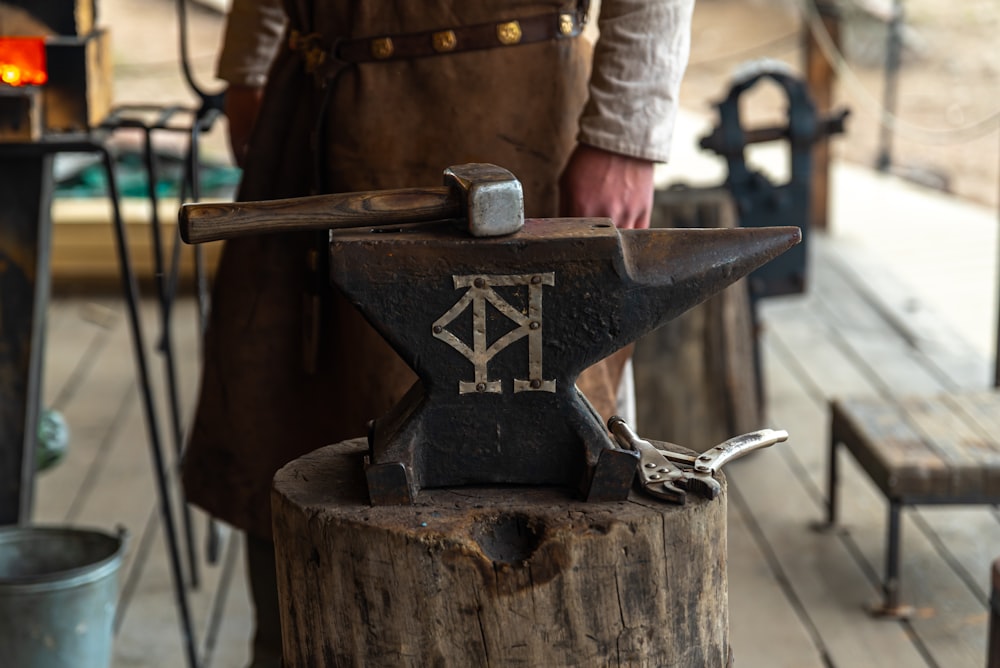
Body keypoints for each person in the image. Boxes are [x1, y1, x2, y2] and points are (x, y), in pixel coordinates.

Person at [182, 1, 694, 665]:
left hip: (509, 115)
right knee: (291, 438)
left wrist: (627, 131)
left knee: (525, 473)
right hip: (313, 103)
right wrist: (250, 64)